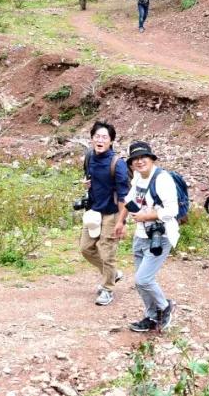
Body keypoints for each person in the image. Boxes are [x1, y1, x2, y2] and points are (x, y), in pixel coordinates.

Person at [121, 141, 178, 332]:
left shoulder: (162, 179)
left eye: (143, 157)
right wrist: (121, 222)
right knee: (140, 281)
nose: (139, 161)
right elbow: (128, 199)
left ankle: (165, 307)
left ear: (152, 159)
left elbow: (172, 210)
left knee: (143, 279)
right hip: (141, 234)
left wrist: (147, 215)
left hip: (159, 235)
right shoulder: (137, 178)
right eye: (135, 159)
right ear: (131, 164)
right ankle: (151, 317)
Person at [80, 121, 130, 306]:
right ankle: (113, 274)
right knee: (86, 248)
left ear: (111, 141)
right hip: (94, 210)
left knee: (107, 252)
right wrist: (87, 184)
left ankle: (107, 289)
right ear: (92, 138)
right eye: (97, 136)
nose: (100, 140)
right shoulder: (89, 157)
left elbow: (124, 196)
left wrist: (121, 222)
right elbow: (90, 178)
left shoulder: (118, 164)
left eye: (104, 137)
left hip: (112, 213)